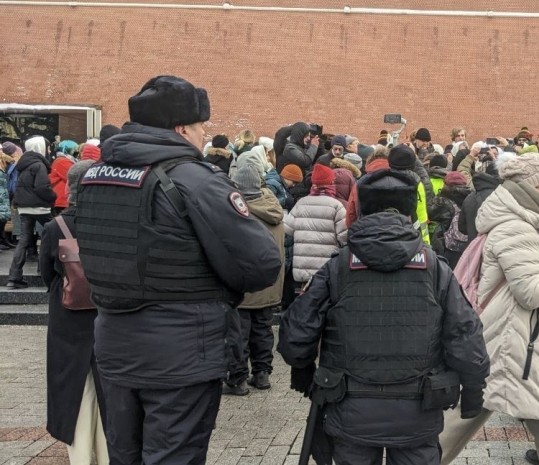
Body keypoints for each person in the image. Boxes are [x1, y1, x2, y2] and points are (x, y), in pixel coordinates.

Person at [74, 75, 281, 464]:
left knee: (124, 455)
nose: (204, 135)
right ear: (182, 128)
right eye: (202, 126)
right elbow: (260, 263)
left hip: (114, 348)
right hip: (182, 354)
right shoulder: (195, 180)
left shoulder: (93, 177)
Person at [278, 168, 489, 465]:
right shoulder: (434, 267)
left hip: (350, 407)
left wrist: (302, 371)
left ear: (361, 209)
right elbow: (465, 333)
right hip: (418, 410)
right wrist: (473, 389)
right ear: (411, 211)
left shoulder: (338, 266)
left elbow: (296, 332)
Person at [439, 152, 539, 465]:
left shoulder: (524, 220)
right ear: (533, 186)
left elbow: (525, 273)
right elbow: (530, 292)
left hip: (520, 337)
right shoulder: (519, 226)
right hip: (519, 341)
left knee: (471, 414)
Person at [42, 160, 107, 465]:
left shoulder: (55, 227)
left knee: (72, 388)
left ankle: (79, 456)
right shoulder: (111, 222)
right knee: (109, 389)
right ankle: (108, 453)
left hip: (68, 316)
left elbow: (47, 273)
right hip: (107, 312)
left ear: (70, 188)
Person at [224, 163, 286, 395]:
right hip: (270, 285)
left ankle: (237, 379)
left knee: (238, 335)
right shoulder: (274, 208)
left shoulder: (239, 214)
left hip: (244, 286)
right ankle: (262, 374)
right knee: (263, 330)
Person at [284, 164, 348, 287]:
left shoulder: (301, 203)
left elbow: (288, 229)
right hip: (326, 270)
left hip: (302, 269)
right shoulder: (336, 206)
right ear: (331, 183)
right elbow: (344, 237)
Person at [7, 135, 56, 289]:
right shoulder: (39, 165)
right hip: (40, 207)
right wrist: (53, 197)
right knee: (49, 236)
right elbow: (42, 187)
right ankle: (44, 272)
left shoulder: (23, 164)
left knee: (23, 240)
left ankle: (14, 277)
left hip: (23, 207)